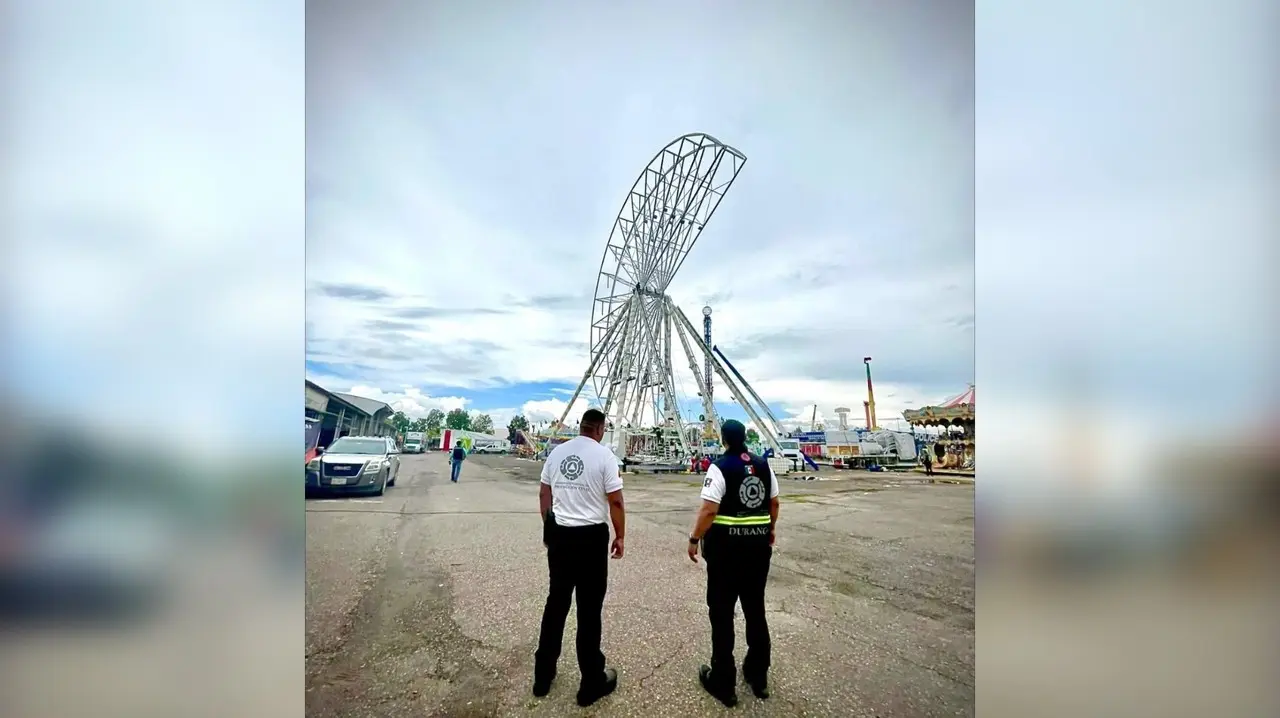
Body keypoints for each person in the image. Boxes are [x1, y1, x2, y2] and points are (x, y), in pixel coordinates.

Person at [533, 408, 626, 707]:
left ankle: (543, 676)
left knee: (556, 603)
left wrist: (549, 523)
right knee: (589, 611)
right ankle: (590, 683)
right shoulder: (605, 457)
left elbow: (544, 493)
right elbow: (616, 500)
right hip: (590, 538)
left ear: (580, 426)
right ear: (599, 429)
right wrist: (620, 535)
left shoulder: (558, 453)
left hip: (560, 533)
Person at [686, 419, 780, 707]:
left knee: (722, 613)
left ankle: (723, 680)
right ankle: (758, 674)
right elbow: (774, 503)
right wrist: (770, 528)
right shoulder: (764, 465)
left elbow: (709, 510)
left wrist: (693, 538)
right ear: (745, 438)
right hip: (757, 549)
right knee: (755, 609)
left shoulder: (719, 467)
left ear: (724, 439)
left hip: (725, 552)